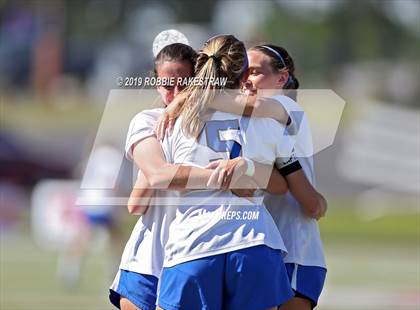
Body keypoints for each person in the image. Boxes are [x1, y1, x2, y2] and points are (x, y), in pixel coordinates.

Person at [146, 34, 303, 310]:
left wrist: (186, 100)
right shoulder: (268, 118)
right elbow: (281, 184)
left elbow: (161, 177)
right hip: (255, 245)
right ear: (243, 74)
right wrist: (247, 171)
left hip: (194, 245)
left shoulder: (172, 121)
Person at [246, 44, 327, 310]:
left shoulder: (284, 105)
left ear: (281, 78)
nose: (246, 78)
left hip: (295, 248)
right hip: (268, 246)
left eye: (255, 72)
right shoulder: (256, 119)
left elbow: (309, 202)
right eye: (243, 71)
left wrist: (189, 99)